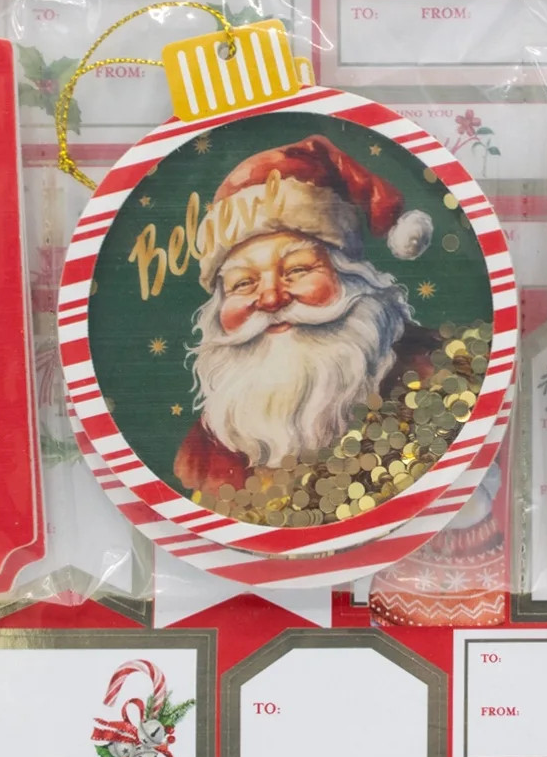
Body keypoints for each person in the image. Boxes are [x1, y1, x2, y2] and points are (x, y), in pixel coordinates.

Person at [176, 134, 439, 494]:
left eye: (297, 270)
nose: (271, 299)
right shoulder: (208, 452)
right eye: (243, 283)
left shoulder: (436, 378)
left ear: (350, 277)